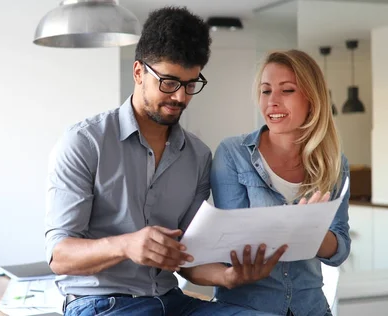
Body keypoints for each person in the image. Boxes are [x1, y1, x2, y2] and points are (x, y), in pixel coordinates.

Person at [44, 6, 281, 316]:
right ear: (139, 72)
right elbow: (58, 255)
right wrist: (125, 245)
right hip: (103, 303)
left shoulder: (197, 156)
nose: (181, 97)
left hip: (172, 301)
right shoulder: (85, 143)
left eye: (190, 84)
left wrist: (227, 276)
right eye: (169, 82)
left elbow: (188, 257)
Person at [185, 49, 350, 316]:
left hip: (311, 309)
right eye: (265, 91)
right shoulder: (233, 154)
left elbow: (340, 249)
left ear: (312, 98)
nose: (272, 102)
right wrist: (288, 226)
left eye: (286, 91)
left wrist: (312, 231)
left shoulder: (334, 163)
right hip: (246, 308)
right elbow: (234, 243)